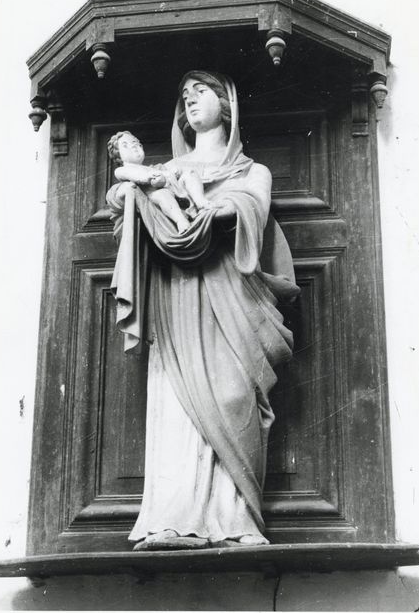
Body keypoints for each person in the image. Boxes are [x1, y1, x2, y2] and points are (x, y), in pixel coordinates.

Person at [106, 70, 299, 549]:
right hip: (178, 293)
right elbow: (129, 205)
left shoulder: (253, 170)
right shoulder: (168, 168)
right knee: (177, 402)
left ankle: (235, 519)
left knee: (235, 396)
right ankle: (173, 519)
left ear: (227, 104)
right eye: (185, 95)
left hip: (231, 292)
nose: (191, 100)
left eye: (202, 92)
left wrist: (221, 209)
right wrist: (126, 194)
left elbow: (251, 204)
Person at [107, 130, 215, 234]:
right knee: (162, 195)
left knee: (190, 173)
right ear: (118, 155)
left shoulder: (156, 167)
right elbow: (139, 177)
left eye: (136, 143)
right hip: (153, 195)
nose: (133, 146)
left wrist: (172, 173)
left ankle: (200, 201)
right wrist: (151, 177)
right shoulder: (122, 170)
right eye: (125, 145)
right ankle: (180, 220)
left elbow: (171, 174)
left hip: (175, 189)